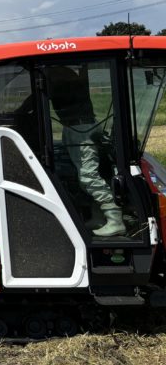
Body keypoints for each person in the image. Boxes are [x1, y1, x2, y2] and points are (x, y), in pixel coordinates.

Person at [46, 66, 125, 237]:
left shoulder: (55, 76)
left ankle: (115, 220)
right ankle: (99, 217)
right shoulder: (68, 75)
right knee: (88, 175)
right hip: (81, 125)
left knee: (87, 176)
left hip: (78, 129)